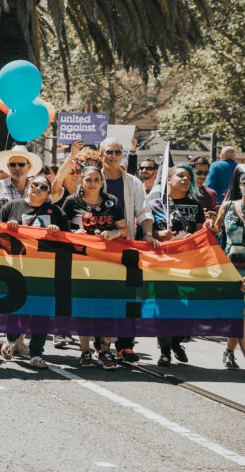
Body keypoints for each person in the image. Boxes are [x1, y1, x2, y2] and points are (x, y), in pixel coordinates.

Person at [0, 173, 69, 369]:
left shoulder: (56, 212)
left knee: (41, 313)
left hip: (44, 271)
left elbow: (68, 242)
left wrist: (57, 233)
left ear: (48, 193)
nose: (37, 188)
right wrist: (7, 229)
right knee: (16, 308)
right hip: (16, 268)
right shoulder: (12, 207)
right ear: (29, 185)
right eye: (35, 184)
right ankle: (11, 340)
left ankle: (36, 353)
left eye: (43, 187)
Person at [61, 165, 127, 370]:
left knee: (106, 306)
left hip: (107, 261)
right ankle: (85, 351)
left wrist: (115, 234)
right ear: (81, 181)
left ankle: (105, 350)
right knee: (85, 306)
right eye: (88, 179)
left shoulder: (111, 202)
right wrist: (74, 234)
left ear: (102, 181)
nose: (92, 183)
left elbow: (123, 229)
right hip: (81, 262)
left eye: (96, 179)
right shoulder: (72, 202)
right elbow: (61, 230)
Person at [99, 137, 157, 362]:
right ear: (101, 154)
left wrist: (149, 233)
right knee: (101, 294)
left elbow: (143, 211)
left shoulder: (133, 182)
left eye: (117, 152)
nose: (113, 156)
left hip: (127, 246)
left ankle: (125, 345)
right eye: (109, 152)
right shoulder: (93, 179)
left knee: (128, 297)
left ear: (122, 155)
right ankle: (100, 344)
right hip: (98, 248)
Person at [151, 164, 207, 367]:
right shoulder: (156, 205)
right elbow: (146, 234)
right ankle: (165, 351)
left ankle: (176, 342)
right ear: (168, 180)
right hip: (162, 265)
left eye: (188, 177)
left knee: (186, 309)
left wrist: (197, 236)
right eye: (180, 176)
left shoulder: (195, 205)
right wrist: (158, 234)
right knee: (164, 307)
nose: (185, 179)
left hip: (188, 265)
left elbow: (201, 233)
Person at [217, 171, 245, 370]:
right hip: (229, 269)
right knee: (237, 313)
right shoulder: (227, 206)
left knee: (244, 313)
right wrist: (209, 224)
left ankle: (233, 352)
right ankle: (229, 350)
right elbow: (214, 231)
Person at [0, 145, 41, 220]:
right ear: (8, 166)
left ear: (29, 166)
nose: (17, 168)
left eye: (21, 164)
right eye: (13, 164)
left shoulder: (39, 187)